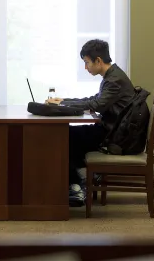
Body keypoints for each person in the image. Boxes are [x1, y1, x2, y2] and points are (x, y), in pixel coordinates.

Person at [46, 39, 136, 206]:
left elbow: (97, 104)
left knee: (65, 138)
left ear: (98, 61)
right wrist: (65, 101)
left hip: (114, 137)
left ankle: (75, 187)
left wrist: (63, 104)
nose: (85, 67)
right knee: (68, 135)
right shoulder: (112, 75)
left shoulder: (114, 80)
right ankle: (76, 184)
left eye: (87, 63)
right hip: (111, 129)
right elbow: (95, 100)